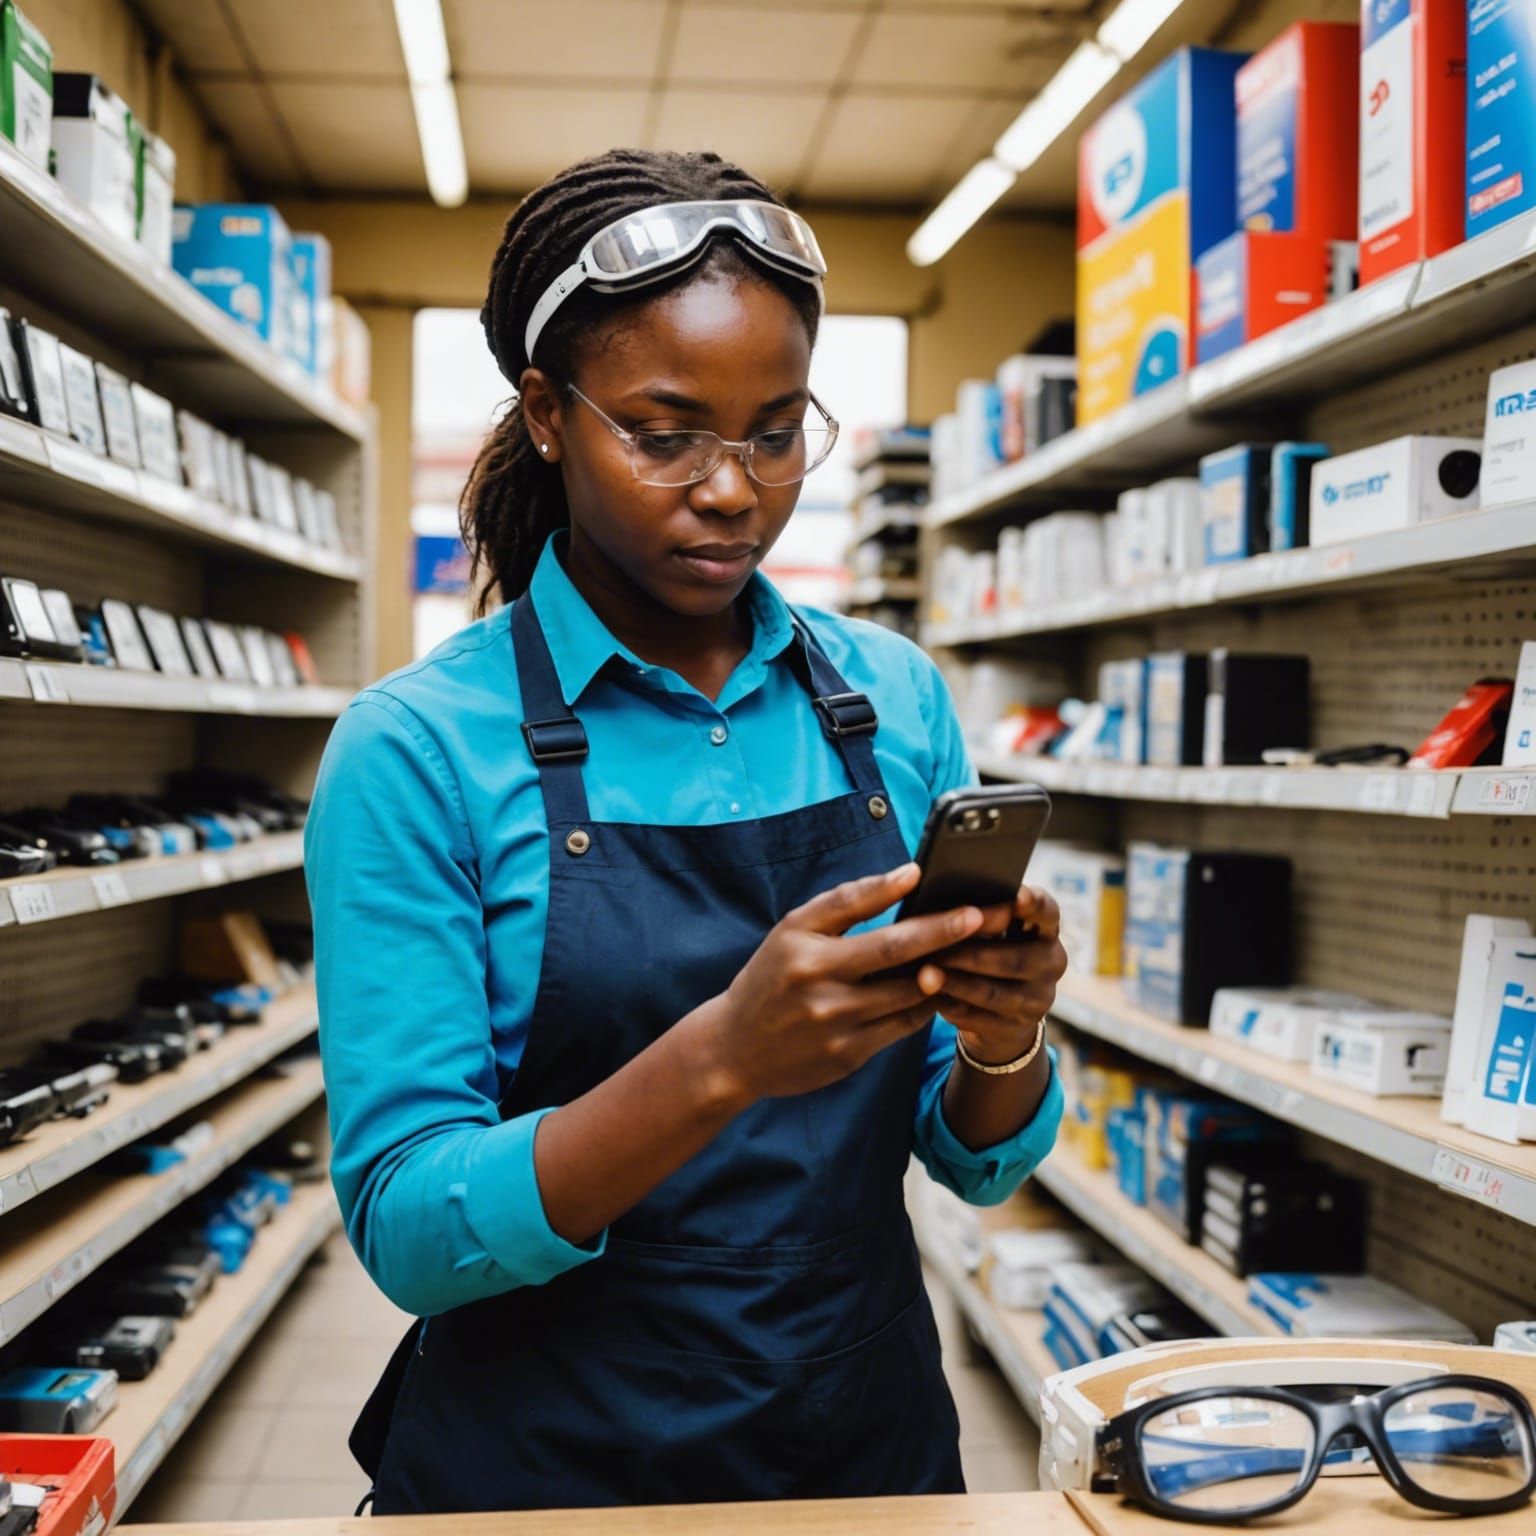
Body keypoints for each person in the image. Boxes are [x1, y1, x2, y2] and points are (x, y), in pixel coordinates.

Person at [305, 148, 1066, 1516]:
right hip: (548, 1463)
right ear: (546, 413)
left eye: (777, 431)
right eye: (665, 434)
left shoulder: (890, 702)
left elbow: (976, 1152)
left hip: (859, 1448)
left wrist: (1005, 1038)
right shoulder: (417, 748)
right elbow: (410, 1226)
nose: (734, 489)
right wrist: (721, 1059)